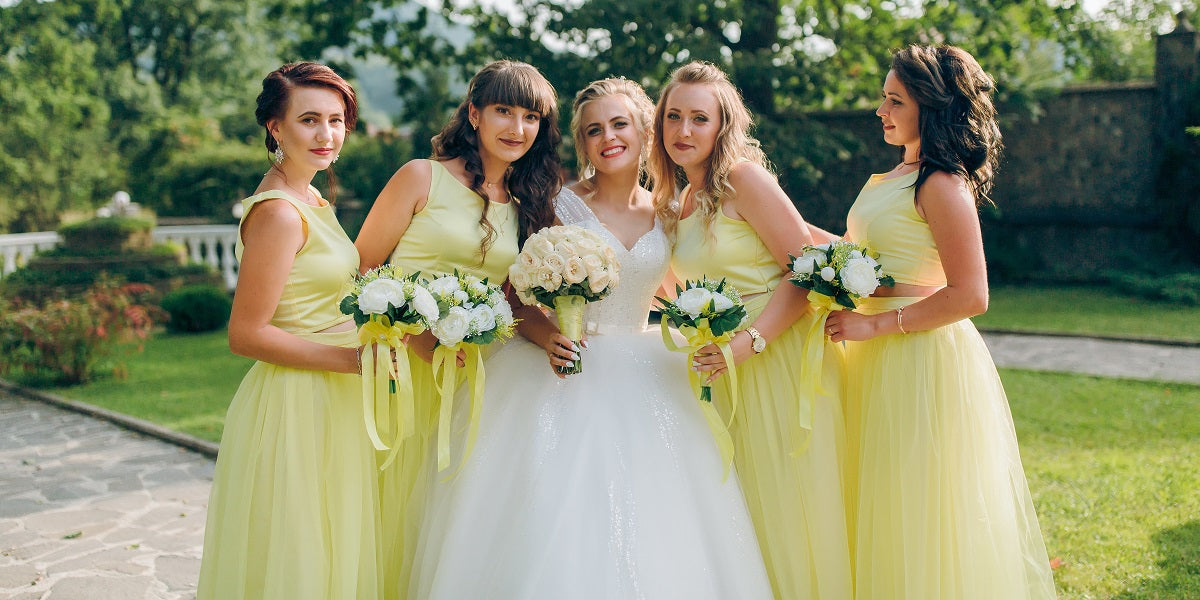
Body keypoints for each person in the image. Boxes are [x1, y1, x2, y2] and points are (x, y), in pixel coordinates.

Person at [409, 77, 773, 599]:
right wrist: (543, 335)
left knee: (661, 516)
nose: (608, 138)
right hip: (559, 371)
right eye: (593, 130)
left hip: (648, 374)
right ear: (581, 142)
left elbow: (691, 278)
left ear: (646, 129)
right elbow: (516, 296)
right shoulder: (554, 204)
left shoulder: (671, 212)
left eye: (619, 124)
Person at [820, 44, 1057, 598]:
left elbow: (971, 293)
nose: (881, 110)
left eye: (894, 100)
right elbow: (864, 260)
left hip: (916, 356)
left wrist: (875, 326)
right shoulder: (895, 176)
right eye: (884, 97)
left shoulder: (941, 184)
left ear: (930, 106)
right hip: (869, 353)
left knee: (915, 502)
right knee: (873, 494)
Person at [353, 59, 561, 598]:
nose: (517, 128)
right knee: (385, 505)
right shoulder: (421, 176)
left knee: (437, 517)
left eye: (531, 116)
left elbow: (513, 301)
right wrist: (416, 339)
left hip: (471, 380)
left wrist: (549, 338)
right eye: (503, 111)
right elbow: (362, 270)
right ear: (474, 114)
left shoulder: (523, 203)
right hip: (400, 366)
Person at [651, 61, 853, 599]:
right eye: (673, 117)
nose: (684, 131)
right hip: (720, 369)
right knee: (739, 506)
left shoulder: (742, 178)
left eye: (699, 118)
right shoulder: (675, 201)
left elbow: (803, 269)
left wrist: (749, 342)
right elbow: (676, 288)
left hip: (774, 357)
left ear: (723, 126)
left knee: (787, 500)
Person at [197, 62, 381, 599]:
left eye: (336, 120)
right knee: (299, 555)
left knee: (331, 550)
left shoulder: (313, 199)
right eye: (309, 120)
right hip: (298, 404)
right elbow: (246, 334)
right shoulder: (279, 213)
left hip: (336, 400)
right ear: (276, 128)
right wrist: (351, 361)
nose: (327, 135)